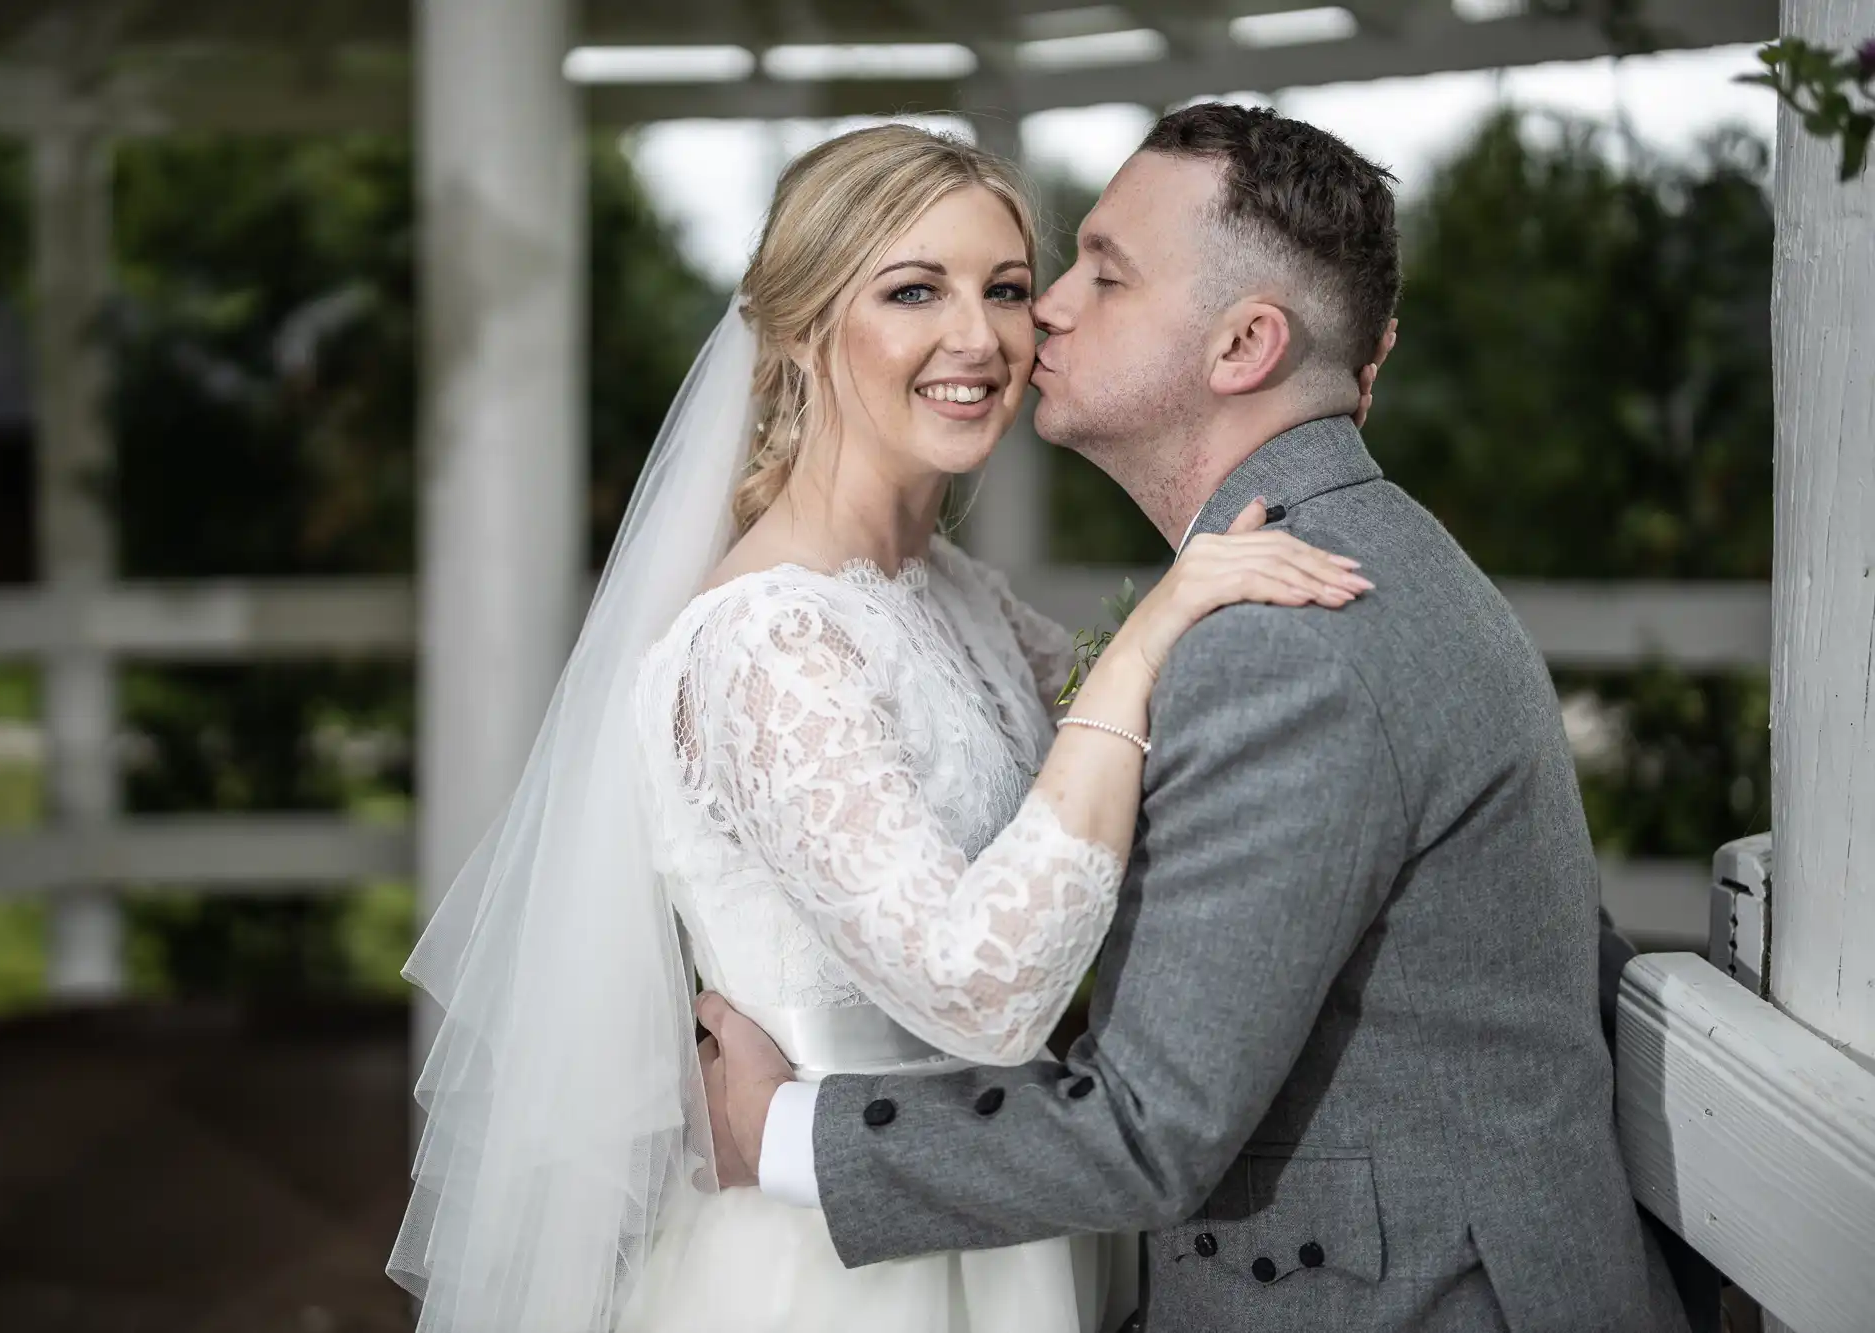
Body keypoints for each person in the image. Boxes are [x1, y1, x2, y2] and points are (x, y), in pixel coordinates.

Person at [697, 104, 1693, 1333]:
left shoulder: (1285, 632)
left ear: (1241, 347)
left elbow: (1146, 1126)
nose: (1041, 311)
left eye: (1098, 274)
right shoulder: (1349, 557)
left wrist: (773, 1128)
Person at [386, 122, 1371, 1333]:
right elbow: (982, 996)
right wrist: (1146, 638)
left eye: (1006, 290)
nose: (979, 337)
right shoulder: (765, 639)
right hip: (840, 1266)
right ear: (800, 334)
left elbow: (1127, 827)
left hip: (1000, 1211)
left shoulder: (949, 589)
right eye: (914, 290)